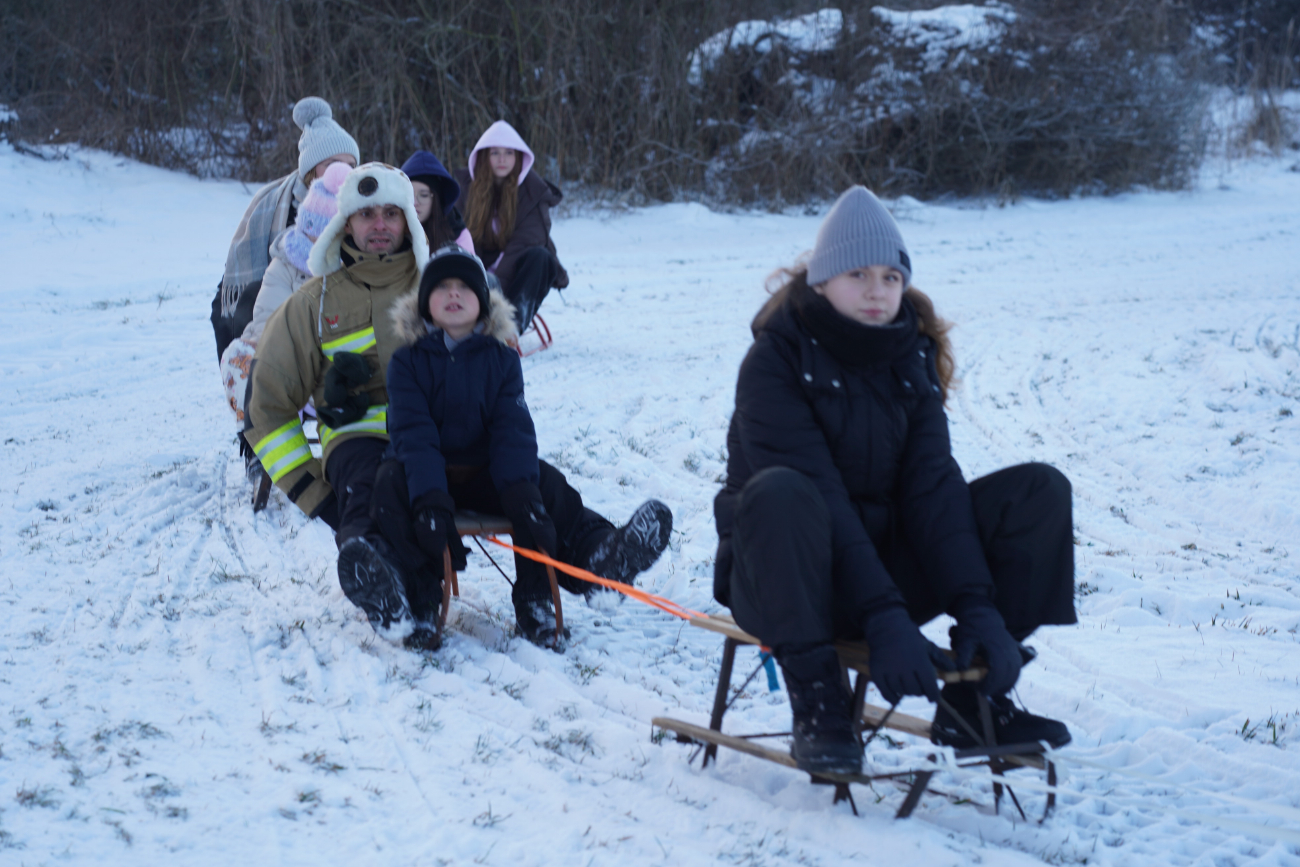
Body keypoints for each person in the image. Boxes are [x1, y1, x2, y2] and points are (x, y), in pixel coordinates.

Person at [712, 186, 1076, 776]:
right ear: (822, 280)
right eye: (858, 274)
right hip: (785, 577)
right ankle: (820, 707)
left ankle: (973, 701)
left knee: (1038, 493)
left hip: (881, 570)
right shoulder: (774, 362)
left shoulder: (911, 359)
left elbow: (933, 489)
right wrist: (884, 617)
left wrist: (978, 606)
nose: (877, 290)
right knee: (783, 492)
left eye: (889, 276)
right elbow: (822, 494)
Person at [360, 245, 672, 650]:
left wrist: (521, 491)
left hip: (485, 472)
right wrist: (431, 500)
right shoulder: (408, 361)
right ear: (424, 303)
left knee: (546, 484)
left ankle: (590, 568)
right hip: (424, 476)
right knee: (387, 485)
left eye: (464, 288)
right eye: (442, 287)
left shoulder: (502, 359)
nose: (453, 294)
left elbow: (512, 428)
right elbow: (413, 433)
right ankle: (417, 597)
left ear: (483, 303)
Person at [242, 162, 429, 593]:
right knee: (370, 491)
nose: (379, 225)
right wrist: (316, 494)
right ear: (344, 224)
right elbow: (266, 404)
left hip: (431, 442)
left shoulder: (440, 289)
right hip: (354, 446)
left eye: (391, 213)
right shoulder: (313, 302)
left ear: (408, 220)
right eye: (366, 214)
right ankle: (373, 580)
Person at [219, 161, 349, 507]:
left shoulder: (353, 270)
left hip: (335, 369)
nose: (313, 246)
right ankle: (265, 445)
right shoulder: (286, 263)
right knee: (237, 357)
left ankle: (344, 454)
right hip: (284, 360)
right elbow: (266, 320)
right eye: (311, 233)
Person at [211, 96, 359, 364]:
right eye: (333, 163)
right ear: (312, 170)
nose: (343, 172)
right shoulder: (274, 203)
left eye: (350, 165)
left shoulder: (361, 209)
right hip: (271, 304)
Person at [454, 120, 568, 331]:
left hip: (516, 274)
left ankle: (509, 327)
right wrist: (478, 281)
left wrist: (496, 289)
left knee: (541, 257)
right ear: (484, 156)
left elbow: (525, 241)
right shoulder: (467, 189)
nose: (502, 160)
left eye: (508, 153)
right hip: (479, 272)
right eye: (495, 153)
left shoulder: (533, 191)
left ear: (518, 157)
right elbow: (462, 236)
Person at [400, 150, 475, 253]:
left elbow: (469, 268)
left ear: (435, 200)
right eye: (409, 195)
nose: (415, 203)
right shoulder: (388, 229)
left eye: (423, 195)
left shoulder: (457, 235)